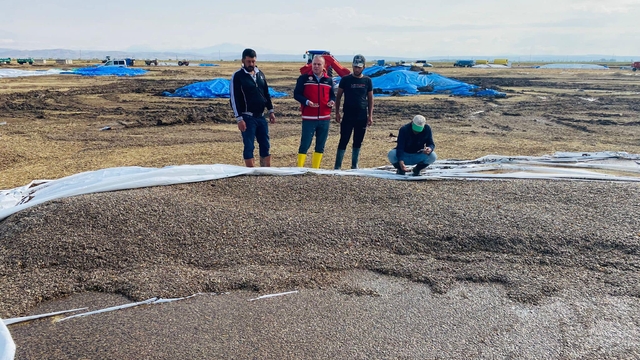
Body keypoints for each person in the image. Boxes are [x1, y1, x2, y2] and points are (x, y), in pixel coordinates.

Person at [229, 48, 276, 167]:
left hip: (261, 116)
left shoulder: (260, 74)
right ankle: (250, 171)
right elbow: (234, 98)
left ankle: (265, 168)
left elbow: (266, 93)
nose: (251, 64)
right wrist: (239, 118)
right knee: (249, 145)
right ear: (243, 60)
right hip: (247, 117)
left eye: (253, 61)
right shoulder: (238, 76)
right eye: (249, 61)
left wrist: (271, 111)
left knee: (265, 143)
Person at [293, 55, 336, 168]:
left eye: (318, 64)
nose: (316, 66)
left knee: (320, 145)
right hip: (309, 118)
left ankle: (315, 168)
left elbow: (332, 96)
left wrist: (332, 101)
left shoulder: (329, 80)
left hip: (324, 118)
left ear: (324, 66)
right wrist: (307, 102)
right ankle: (300, 167)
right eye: (314, 64)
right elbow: (296, 94)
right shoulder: (304, 78)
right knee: (305, 144)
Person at [334, 54, 373, 170]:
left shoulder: (367, 80)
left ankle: (354, 165)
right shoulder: (345, 80)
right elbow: (338, 97)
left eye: (359, 67)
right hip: (348, 116)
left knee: (358, 141)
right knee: (344, 140)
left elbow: (370, 99)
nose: (357, 69)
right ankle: (337, 166)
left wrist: (370, 115)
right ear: (352, 66)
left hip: (361, 117)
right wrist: (337, 112)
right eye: (355, 67)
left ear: (364, 67)